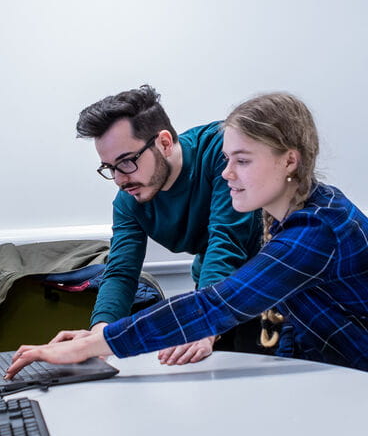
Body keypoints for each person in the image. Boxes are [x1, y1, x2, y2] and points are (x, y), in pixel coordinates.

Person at [6, 92, 368, 392]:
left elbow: (219, 299)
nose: (227, 173)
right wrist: (101, 333)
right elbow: (288, 317)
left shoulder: (317, 229)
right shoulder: (285, 216)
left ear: (290, 160)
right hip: (332, 367)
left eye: (241, 161)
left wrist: (89, 345)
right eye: (228, 160)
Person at [70, 85, 263, 365]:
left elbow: (226, 240)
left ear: (164, 142)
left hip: (273, 277)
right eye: (109, 168)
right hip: (214, 288)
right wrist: (99, 336)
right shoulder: (129, 200)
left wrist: (204, 322)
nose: (119, 180)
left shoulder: (221, 153)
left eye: (126, 162)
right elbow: (121, 271)